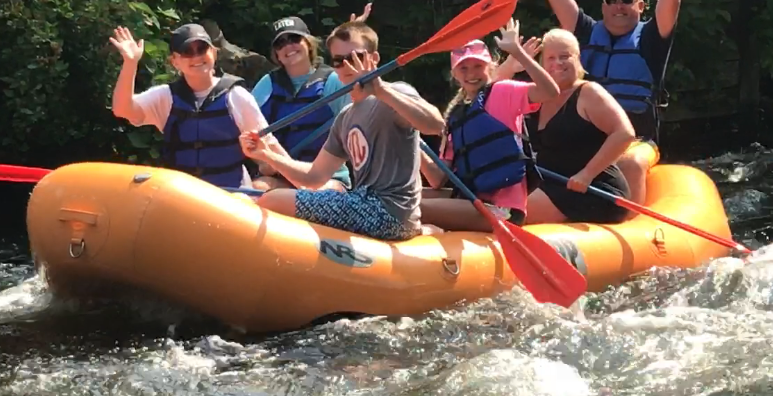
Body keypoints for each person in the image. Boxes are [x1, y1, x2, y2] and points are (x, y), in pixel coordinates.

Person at [527, 0, 699, 204]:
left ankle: (632, 220)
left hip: (637, 139)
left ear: (640, 6)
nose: (618, 5)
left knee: (630, 163)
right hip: (587, 136)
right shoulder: (586, 32)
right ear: (603, 6)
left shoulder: (651, 38)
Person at [239, 21, 445, 240]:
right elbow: (314, 177)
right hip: (362, 203)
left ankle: (417, 229)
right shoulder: (345, 117)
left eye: (355, 57)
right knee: (269, 196)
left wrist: (381, 90)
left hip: (390, 212)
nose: (346, 66)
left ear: (374, 59)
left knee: (274, 200)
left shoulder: (396, 94)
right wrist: (266, 154)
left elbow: (436, 125)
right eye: (338, 61)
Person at [419, 19, 560, 231]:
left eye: (478, 66)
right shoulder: (457, 116)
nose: (471, 74)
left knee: (414, 207)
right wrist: (412, 139)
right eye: (463, 68)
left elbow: (550, 92)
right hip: (473, 202)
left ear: (491, 66)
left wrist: (518, 53)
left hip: (503, 210)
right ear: (454, 74)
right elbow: (437, 179)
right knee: (404, 196)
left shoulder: (503, 91)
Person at [110, 23, 266, 189]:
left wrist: (277, 171)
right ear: (175, 61)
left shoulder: (237, 96)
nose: (196, 57)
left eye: (202, 49)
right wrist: (130, 63)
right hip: (183, 195)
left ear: (213, 52)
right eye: (187, 52)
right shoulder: (165, 97)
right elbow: (122, 109)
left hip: (231, 194)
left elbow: (268, 146)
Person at [524, 29, 637, 225]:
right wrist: (513, 62)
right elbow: (491, 95)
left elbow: (624, 134)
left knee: (511, 212)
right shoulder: (537, 96)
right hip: (550, 184)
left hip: (594, 189)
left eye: (564, 56)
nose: (558, 63)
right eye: (551, 58)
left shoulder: (589, 93)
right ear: (542, 64)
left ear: (577, 58)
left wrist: (587, 174)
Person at [250, 16, 351, 192]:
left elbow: (357, 125)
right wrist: (261, 161)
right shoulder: (268, 83)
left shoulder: (333, 81)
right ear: (276, 54)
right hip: (282, 175)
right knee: (256, 189)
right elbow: (247, 129)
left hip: (327, 178)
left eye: (294, 39)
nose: (288, 46)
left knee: (313, 194)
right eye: (280, 43)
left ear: (308, 43)